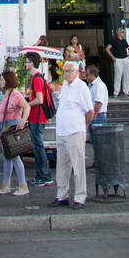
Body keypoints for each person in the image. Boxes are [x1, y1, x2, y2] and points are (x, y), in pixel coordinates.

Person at [48, 61, 94, 209]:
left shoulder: (81, 87)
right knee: (62, 165)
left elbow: (90, 111)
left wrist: (83, 127)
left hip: (75, 131)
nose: (67, 73)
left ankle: (80, 197)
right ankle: (62, 196)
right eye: (65, 71)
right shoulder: (65, 87)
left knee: (78, 166)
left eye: (69, 71)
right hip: (62, 132)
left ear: (77, 72)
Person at [0, 70, 30, 196]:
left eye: (2, 79)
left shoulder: (14, 94)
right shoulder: (6, 94)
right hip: (5, 128)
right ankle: (6, 184)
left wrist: (23, 121)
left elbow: (26, 106)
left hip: (12, 128)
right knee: (8, 157)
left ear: (7, 81)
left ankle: (22, 185)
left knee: (14, 156)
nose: (0, 82)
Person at [24, 51, 54, 187]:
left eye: (27, 61)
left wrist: (27, 104)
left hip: (37, 117)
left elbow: (40, 99)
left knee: (38, 146)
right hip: (38, 117)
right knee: (37, 146)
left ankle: (44, 175)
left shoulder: (36, 79)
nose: (25, 64)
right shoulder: (38, 77)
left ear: (32, 63)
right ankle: (41, 175)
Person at [85, 64, 108, 144]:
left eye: (87, 75)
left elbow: (98, 103)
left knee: (99, 142)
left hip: (98, 116)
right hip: (94, 115)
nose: (86, 77)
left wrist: (93, 116)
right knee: (94, 141)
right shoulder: (91, 85)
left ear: (93, 75)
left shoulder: (99, 85)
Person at [105, 27, 129, 98]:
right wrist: (113, 57)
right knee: (118, 76)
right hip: (118, 59)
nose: (123, 33)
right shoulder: (114, 40)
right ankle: (116, 92)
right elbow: (107, 49)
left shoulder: (124, 40)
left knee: (126, 75)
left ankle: (126, 91)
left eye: (123, 32)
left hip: (125, 58)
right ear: (118, 33)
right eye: (122, 32)